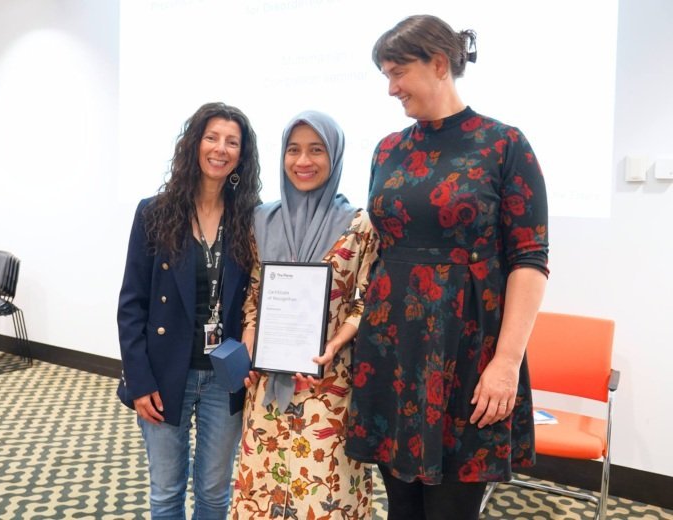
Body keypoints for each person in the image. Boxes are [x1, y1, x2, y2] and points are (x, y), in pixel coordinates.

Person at [345, 15, 550, 520]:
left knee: (450, 510)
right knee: (401, 508)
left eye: (397, 73)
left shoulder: (504, 144)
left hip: (468, 351)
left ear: (439, 64)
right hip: (393, 348)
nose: (391, 88)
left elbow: (530, 259)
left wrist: (505, 364)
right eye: (385, 76)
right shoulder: (388, 149)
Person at [230, 111, 379, 519]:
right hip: (268, 383)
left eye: (316, 150)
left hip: (328, 383)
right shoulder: (262, 219)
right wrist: (250, 338)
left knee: (324, 492)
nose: (303, 161)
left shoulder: (358, 224)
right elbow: (254, 292)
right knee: (263, 486)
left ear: (334, 157)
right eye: (293, 150)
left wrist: (334, 343)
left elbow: (367, 300)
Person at [117, 101, 261, 519]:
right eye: (211, 137)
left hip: (226, 376)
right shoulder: (155, 212)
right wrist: (139, 381)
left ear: (241, 155)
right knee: (166, 492)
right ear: (194, 144)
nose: (221, 148)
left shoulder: (251, 218)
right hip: (164, 373)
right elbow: (131, 304)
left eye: (232, 142)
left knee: (215, 494)